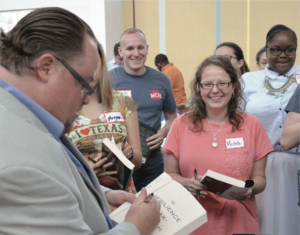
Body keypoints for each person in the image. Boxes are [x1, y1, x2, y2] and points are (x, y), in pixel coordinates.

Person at [0, 7, 160, 234]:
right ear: (46, 68)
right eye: (84, 85)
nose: (86, 100)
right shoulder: (17, 168)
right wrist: (137, 227)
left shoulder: (23, 116)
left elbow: (54, 182)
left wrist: (100, 196)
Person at [164, 55, 273, 235]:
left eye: (222, 83)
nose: (215, 90)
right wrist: (187, 183)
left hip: (239, 223)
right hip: (192, 224)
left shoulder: (252, 125)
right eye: (208, 84)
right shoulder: (181, 124)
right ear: (199, 88)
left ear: (234, 86)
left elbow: (260, 178)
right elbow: (169, 174)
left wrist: (250, 187)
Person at [242, 24, 300, 235]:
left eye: (290, 49)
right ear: (266, 50)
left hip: (295, 165)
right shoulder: (248, 80)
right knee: (261, 223)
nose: (283, 55)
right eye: (276, 49)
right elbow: (235, 122)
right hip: (257, 167)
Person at [68, 42, 142, 193]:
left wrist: (128, 154)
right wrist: (86, 171)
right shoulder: (65, 106)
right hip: (86, 194)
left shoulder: (123, 102)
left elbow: (138, 161)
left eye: (95, 64)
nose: (91, 72)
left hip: (124, 195)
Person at [110, 28, 177, 192]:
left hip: (152, 160)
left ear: (147, 49)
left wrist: (162, 133)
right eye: (130, 48)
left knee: (153, 207)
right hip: (118, 159)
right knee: (120, 210)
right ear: (121, 51)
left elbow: (172, 117)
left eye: (140, 47)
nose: (136, 53)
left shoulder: (161, 79)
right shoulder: (109, 79)